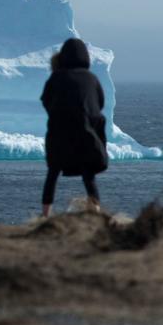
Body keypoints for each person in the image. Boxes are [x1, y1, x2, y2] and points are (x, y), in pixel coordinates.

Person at [40, 38, 108, 217]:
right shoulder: (91, 79)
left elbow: (46, 100)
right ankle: (96, 212)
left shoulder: (56, 77)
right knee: (88, 173)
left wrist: (58, 117)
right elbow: (99, 104)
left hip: (59, 134)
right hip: (86, 134)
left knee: (53, 173)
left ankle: (45, 215)